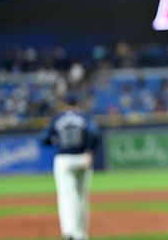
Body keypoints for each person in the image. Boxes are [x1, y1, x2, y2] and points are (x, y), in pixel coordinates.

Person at [40, 94, 100, 240]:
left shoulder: (57, 118)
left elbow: (44, 138)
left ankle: (69, 232)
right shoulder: (85, 117)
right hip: (82, 158)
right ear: (77, 104)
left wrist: (54, 140)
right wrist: (89, 152)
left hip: (64, 160)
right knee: (81, 197)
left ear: (65, 105)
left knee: (66, 197)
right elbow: (95, 134)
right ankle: (81, 234)